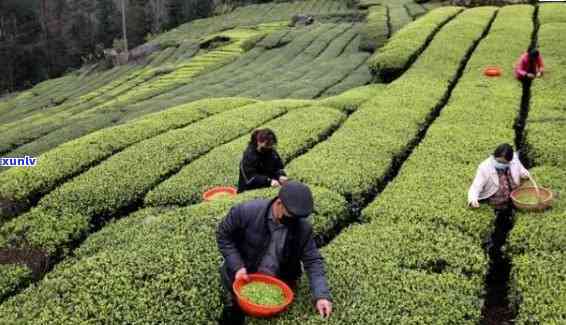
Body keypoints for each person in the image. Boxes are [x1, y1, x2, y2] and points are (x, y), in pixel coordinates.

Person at [217, 181, 333, 325]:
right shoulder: (247, 212)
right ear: (279, 203)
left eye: (298, 217)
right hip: (243, 276)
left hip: (277, 282)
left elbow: (313, 260)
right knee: (235, 312)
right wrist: (237, 266)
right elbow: (223, 235)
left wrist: (321, 295)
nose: (294, 220)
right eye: (290, 215)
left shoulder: (302, 228)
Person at [468, 143, 530, 211]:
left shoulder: (514, 159)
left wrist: (525, 174)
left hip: (513, 199)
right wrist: (472, 200)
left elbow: (521, 170)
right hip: (496, 203)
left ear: (510, 161)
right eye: (499, 161)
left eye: (504, 163)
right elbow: (476, 186)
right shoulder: (484, 167)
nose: (501, 164)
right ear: (494, 156)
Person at [237, 128, 288, 193]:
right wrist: (268, 181)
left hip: (271, 185)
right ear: (258, 142)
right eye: (266, 146)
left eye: (271, 146)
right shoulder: (249, 156)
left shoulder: (271, 152)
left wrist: (280, 175)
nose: (269, 149)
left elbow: (278, 167)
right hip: (249, 190)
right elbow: (250, 178)